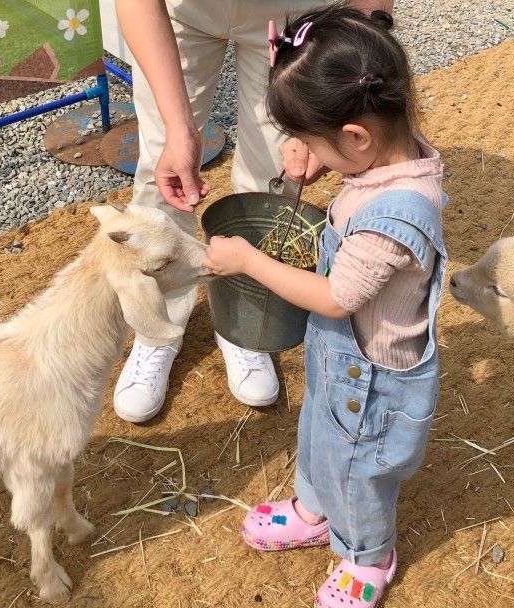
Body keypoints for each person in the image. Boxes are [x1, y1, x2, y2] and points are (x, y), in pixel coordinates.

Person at [204, 6, 447, 607]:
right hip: (342, 366)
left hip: (376, 385)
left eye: (313, 141)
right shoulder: (388, 157)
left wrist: (251, 262)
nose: (307, 151)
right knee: (318, 437)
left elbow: (337, 298)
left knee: (359, 470)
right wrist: (320, 165)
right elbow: (356, 182)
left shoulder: (398, 214)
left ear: (356, 136)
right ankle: (314, 510)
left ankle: (367, 557)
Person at [112, 0, 393, 423]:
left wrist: (320, 121)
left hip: (291, 11)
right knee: (161, 172)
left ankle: (245, 321)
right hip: (182, 10)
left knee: (270, 174)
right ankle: (159, 324)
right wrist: (179, 128)